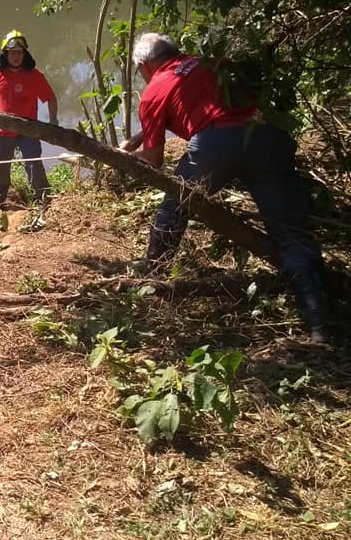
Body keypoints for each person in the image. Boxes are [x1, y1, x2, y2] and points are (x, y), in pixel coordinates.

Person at [120, 32, 329, 342]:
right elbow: (211, 101)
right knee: (292, 235)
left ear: (143, 65)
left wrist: (123, 154)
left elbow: (153, 161)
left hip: (214, 148)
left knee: (174, 208)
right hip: (264, 137)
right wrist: (138, 137)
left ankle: (152, 279)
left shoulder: (153, 91)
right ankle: (319, 325)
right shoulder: (209, 63)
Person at [0, 29, 58, 215]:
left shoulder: (35, 76)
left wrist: (53, 121)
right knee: (1, 162)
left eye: (19, 52)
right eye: (12, 53)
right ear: (5, 54)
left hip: (28, 131)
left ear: (25, 54)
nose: (16, 56)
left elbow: (50, 98)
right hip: (4, 131)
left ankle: (43, 198)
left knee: (33, 163)